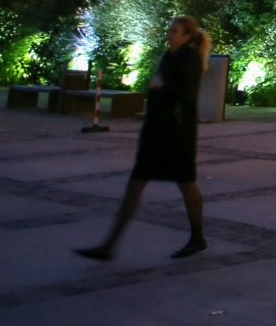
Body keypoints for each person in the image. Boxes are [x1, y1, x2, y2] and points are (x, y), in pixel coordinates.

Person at [77, 15, 209, 261]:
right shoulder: (169, 56)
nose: (169, 34)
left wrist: (160, 87)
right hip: (157, 131)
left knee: (185, 182)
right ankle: (110, 244)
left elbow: (187, 96)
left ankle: (197, 237)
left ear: (187, 35)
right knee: (136, 183)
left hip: (177, 133)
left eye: (174, 30)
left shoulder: (189, 58)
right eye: (170, 29)